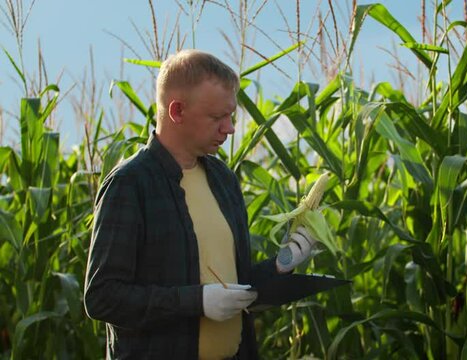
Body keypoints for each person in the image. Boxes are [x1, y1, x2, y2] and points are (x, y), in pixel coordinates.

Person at [84, 49, 317, 360]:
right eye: (217, 117)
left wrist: (280, 266)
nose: (230, 128)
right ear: (177, 111)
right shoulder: (130, 185)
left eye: (231, 115)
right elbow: (103, 297)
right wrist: (198, 302)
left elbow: (234, 284)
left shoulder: (223, 180)